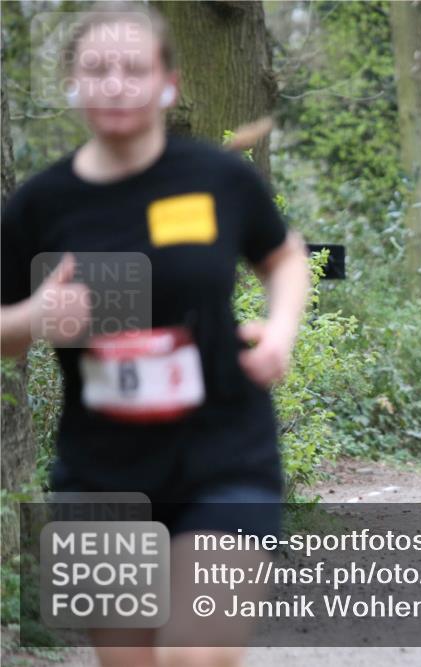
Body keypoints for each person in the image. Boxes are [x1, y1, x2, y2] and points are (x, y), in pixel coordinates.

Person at [0, 4, 310, 666]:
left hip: (225, 454)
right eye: (97, 69)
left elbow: (285, 257)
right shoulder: (38, 206)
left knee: (196, 654)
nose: (115, 84)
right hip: (100, 470)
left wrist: (281, 332)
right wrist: (34, 319)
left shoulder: (218, 177)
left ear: (168, 83)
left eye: (134, 68)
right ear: (73, 84)